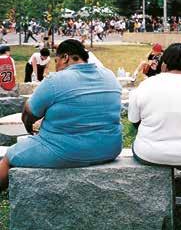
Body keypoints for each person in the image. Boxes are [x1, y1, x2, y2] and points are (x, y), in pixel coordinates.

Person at [0, 39, 122, 190]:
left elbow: (30, 113)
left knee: (9, 157)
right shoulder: (110, 76)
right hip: (110, 148)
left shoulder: (55, 80)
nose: (56, 67)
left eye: (56, 61)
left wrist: (28, 124)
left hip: (66, 151)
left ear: (65, 57)